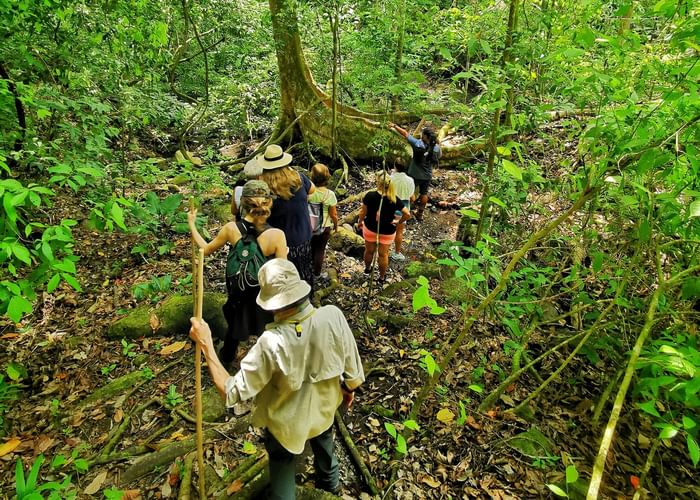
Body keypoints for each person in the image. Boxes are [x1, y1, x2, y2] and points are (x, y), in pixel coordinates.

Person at [189, 258, 365, 499]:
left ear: (271, 304)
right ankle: (331, 490)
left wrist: (206, 344)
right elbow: (354, 376)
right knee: (326, 449)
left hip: (285, 428)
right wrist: (347, 389)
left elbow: (231, 392)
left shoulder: (270, 343)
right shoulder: (332, 316)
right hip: (324, 410)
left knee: (283, 474)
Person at [188, 180, 288, 369]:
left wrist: (191, 224)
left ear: (243, 203)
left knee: (234, 326)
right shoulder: (277, 235)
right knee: (265, 328)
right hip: (263, 295)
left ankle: (226, 356)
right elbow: (283, 273)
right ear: (268, 203)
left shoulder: (231, 229)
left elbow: (205, 249)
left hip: (239, 295)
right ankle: (267, 363)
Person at [257, 144, 316, 290]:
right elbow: (312, 190)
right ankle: (307, 298)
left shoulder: (264, 190)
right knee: (304, 272)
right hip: (302, 236)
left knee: (283, 277)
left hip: (278, 243)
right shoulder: (298, 178)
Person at [358, 171, 410, 282]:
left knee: (369, 251)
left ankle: (367, 269)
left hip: (370, 228)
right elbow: (407, 213)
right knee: (383, 255)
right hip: (387, 231)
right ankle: (381, 277)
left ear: (378, 182)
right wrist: (399, 221)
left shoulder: (370, 196)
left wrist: (360, 222)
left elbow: (363, 212)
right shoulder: (394, 198)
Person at [389, 123, 441, 221]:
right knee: (424, 193)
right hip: (427, 175)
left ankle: (404, 209)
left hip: (414, 174)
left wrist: (395, 126)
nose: (421, 135)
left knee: (409, 191)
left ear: (425, 136)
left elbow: (405, 134)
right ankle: (420, 213)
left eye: (422, 134)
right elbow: (438, 157)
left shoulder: (418, 145)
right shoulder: (436, 148)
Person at [307, 163, 338, 279]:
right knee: (320, 250)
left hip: (308, 226)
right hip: (324, 227)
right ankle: (316, 274)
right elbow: (333, 214)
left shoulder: (308, 192)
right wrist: (336, 225)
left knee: (310, 247)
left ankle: (306, 269)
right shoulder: (330, 195)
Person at [389, 161, 414, 261]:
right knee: (399, 231)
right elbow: (412, 198)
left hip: (390, 207)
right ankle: (397, 253)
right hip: (403, 209)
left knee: (386, 229)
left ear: (395, 167)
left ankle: (383, 249)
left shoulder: (390, 179)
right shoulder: (410, 180)